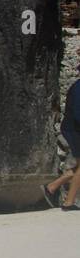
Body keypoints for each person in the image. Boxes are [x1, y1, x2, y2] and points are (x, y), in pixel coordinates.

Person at [44, 68, 80, 209]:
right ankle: (69, 202)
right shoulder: (78, 87)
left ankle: (52, 187)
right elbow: (78, 114)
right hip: (74, 130)